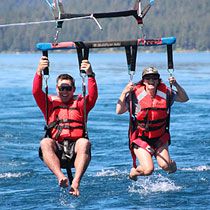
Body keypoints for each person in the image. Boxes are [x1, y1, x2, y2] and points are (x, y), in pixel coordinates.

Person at [32, 56, 98, 196]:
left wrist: (90, 74)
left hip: (77, 150)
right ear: (57, 88)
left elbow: (92, 96)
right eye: (62, 88)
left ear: (73, 89)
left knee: (84, 142)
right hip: (58, 148)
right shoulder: (48, 104)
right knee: (45, 142)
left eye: (68, 88)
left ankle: (76, 182)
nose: (65, 91)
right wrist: (39, 71)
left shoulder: (81, 104)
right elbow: (36, 92)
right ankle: (61, 177)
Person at [116, 66, 189, 181]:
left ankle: (171, 163)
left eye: (154, 78)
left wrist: (176, 84)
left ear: (158, 80)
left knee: (167, 167)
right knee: (148, 170)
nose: (151, 80)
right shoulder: (134, 95)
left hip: (159, 138)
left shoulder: (166, 93)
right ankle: (134, 172)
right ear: (143, 81)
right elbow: (119, 111)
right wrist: (124, 92)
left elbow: (184, 98)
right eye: (148, 78)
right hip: (141, 139)